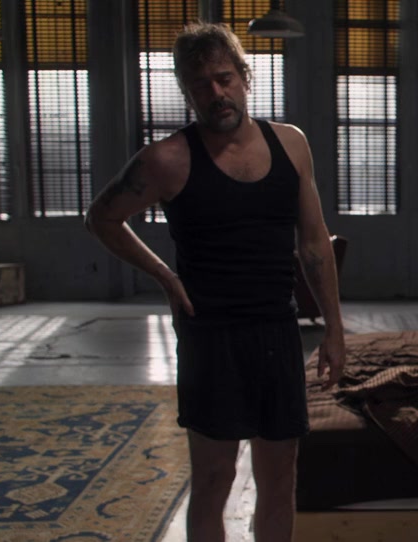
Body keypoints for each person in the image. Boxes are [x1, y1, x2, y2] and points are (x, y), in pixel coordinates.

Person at [84, 22, 345, 542]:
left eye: (224, 78)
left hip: (276, 331)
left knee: (280, 477)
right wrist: (163, 275)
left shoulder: (291, 144)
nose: (216, 93)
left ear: (245, 78)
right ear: (187, 91)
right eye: (200, 84)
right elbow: (101, 218)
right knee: (212, 479)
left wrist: (335, 329)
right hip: (210, 336)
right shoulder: (166, 159)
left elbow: (315, 243)